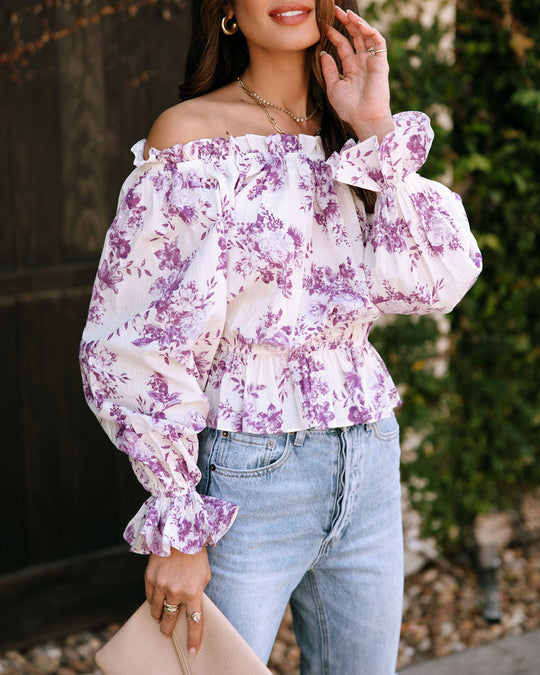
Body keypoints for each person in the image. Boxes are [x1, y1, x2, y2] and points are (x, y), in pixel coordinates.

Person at [79, 0, 482, 672]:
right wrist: (178, 518)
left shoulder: (354, 134)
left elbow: (431, 283)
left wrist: (375, 127)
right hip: (248, 474)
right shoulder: (191, 135)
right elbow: (144, 336)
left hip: (369, 452)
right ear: (227, 10)